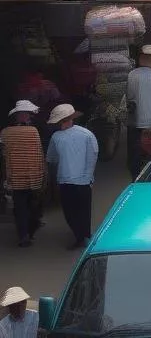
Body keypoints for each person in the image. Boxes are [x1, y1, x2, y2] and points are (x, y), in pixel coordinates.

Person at [45, 104, 98, 249]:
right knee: (83, 210)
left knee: (70, 211)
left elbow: (51, 158)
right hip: (82, 180)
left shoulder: (56, 137)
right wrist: (89, 176)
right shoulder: (87, 134)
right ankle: (84, 235)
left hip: (66, 179)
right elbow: (93, 156)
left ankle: (80, 236)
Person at [1, 101, 45, 247]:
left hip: (15, 177)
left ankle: (23, 234)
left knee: (19, 207)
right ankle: (30, 231)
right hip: (34, 176)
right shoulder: (33, 131)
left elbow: (4, 154)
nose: (30, 117)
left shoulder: (5, 132)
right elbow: (39, 153)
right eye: (29, 115)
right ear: (24, 116)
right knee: (32, 204)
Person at [125, 45, 151, 179]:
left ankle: (136, 176)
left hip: (138, 120)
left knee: (135, 151)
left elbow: (130, 96)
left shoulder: (132, 75)